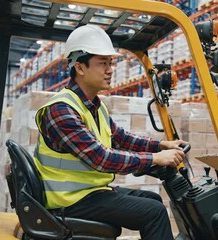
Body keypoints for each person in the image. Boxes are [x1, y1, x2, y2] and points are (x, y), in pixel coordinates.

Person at [33, 24, 187, 240]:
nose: (110, 70)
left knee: (153, 201)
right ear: (80, 67)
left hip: (88, 192)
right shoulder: (62, 109)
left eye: (110, 63)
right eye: (102, 63)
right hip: (68, 200)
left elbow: (121, 138)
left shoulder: (94, 105)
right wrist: (155, 158)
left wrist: (162, 146)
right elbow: (101, 159)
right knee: (154, 213)